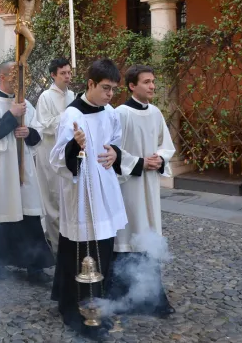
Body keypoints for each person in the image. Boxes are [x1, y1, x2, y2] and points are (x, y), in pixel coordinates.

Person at [49, 59, 128, 338]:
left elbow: (116, 140)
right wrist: (75, 145)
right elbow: (58, 159)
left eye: (113, 89)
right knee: (79, 253)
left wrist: (115, 153)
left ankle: (99, 304)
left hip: (104, 190)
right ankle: (75, 308)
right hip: (81, 193)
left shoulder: (110, 113)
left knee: (103, 248)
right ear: (91, 84)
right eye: (105, 88)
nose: (110, 95)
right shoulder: (72, 116)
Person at [0, 61, 54, 284]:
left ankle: (34, 266)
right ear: (2, 77)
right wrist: (12, 115)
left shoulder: (25, 104)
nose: (20, 84)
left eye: (22, 79)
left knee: (28, 214)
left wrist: (28, 132)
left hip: (22, 168)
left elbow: (38, 133)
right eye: (15, 78)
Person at [110, 64, 176, 318]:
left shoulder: (156, 112)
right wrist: (139, 163)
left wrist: (159, 159)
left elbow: (165, 144)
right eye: (147, 82)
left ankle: (151, 296)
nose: (152, 86)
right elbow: (112, 150)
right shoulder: (120, 114)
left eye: (153, 81)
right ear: (131, 86)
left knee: (149, 232)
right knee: (129, 233)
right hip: (128, 185)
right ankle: (124, 296)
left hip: (149, 184)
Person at [35, 58, 75, 254]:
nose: (67, 76)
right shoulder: (45, 97)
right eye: (63, 73)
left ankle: (70, 245)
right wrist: (68, 115)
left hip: (68, 154)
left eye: (69, 72)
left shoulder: (73, 95)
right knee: (53, 202)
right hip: (50, 154)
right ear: (53, 75)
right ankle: (58, 249)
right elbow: (45, 125)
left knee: (68, 200)